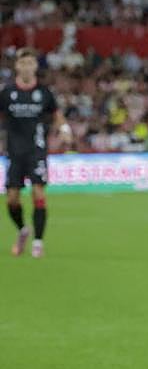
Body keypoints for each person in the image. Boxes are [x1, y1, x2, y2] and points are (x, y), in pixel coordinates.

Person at [2, 48, 72, 258]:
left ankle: (38, 242)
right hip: (14, 152)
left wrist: (65, 130)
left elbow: (57, 115)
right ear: (17, 66)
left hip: (37, 151)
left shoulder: (44, 93)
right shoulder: (7, 93)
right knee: (12, 199)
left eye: (31, 63)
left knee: (38, 193)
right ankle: (23, 230)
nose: (27, 67)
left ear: (35, 66)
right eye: (23, 63)